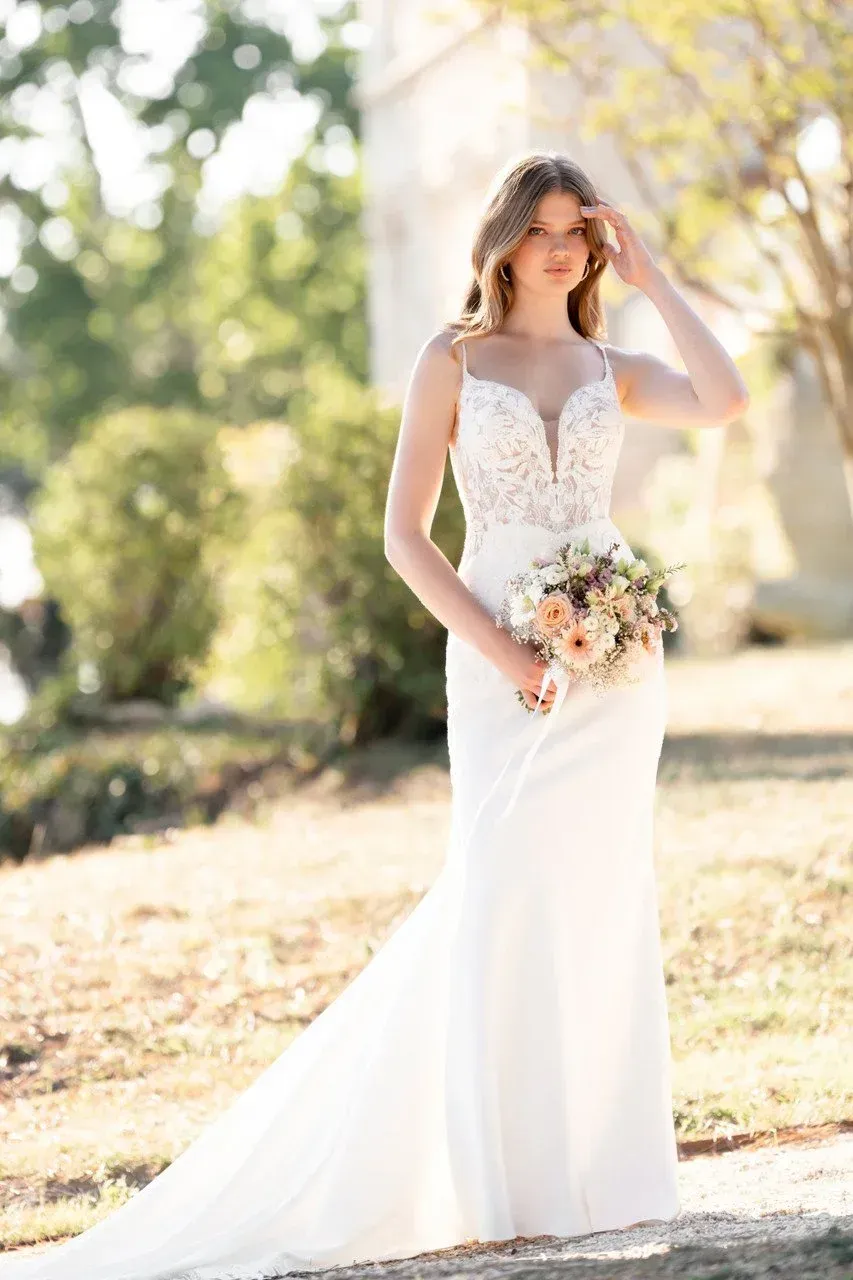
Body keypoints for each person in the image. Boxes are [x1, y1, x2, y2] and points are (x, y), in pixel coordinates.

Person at [0, 151, 749, 1280]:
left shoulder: (612, 363)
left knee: (598, 896)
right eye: (539, 226)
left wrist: (653, 274)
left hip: (613, 675)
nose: (558, 246)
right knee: (501, 890)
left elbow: (725, 398)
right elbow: (406, 536)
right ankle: (497, 1177)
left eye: (576, 230)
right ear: (501, 238)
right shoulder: (450, 360)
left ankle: (602, 1171)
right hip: (497, 653)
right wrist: (500, 646)